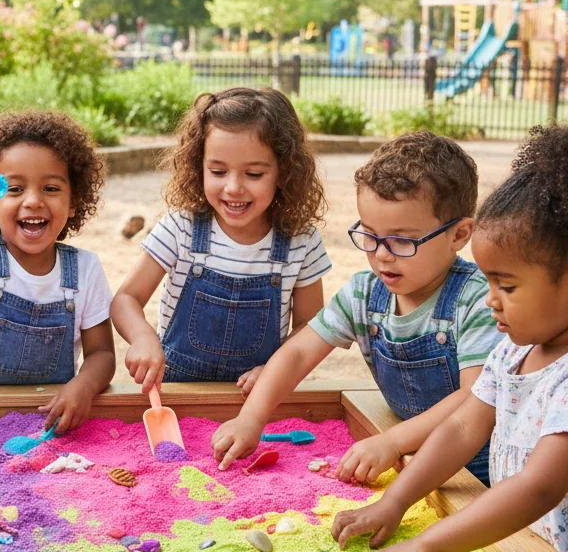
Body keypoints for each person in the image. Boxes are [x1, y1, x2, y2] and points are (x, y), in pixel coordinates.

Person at [335, 125, 568, 552]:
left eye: (507, 286)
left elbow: (538, 487)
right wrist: (395, 501)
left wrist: (426, 547)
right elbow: (462, 427)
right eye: (489, 281)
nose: (489, 299)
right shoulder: (511, 353)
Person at [210, 131, 499, 481]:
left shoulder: (478, 300)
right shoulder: (365, 293)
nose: (382, 255)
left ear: (459, 235)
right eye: (371, 235)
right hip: (414, 459)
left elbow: (474, 398)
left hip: (478, 471)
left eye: (402, 240)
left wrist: (392, 442)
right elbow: (299, 352)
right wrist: (252, 417)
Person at [111, 87, 331, 400]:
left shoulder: (301, 242)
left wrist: (277, 370)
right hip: (175, 396)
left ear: (284, 171)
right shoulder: (181, 228)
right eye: (217, 171)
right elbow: (126, 298)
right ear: (198, 165)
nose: (233, 187)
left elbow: (310, 328)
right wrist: (142, 337)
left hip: (255, 401)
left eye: (253, 174)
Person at [0, 111, 115, 434]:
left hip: (46, 426)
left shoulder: (86, 269)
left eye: (51, 188)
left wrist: (84, 385)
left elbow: (102, 353)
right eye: (14, 189)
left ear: (74, 201)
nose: (33, 201)